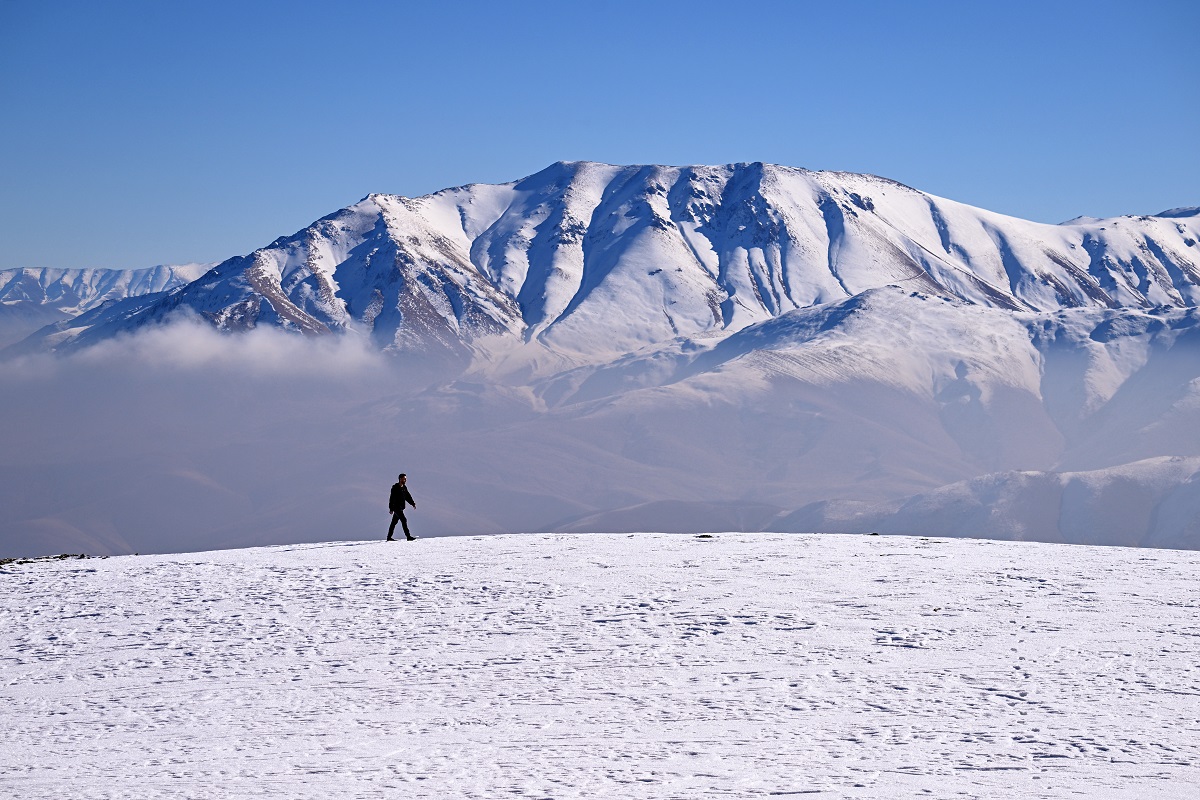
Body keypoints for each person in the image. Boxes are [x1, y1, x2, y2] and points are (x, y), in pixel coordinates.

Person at [387, 473, 417, 541]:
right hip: (396, 508)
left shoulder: (404, 487)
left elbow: (407, 496)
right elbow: (391, 498)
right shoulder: (395, 487)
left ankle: (389, 537)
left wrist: (412, 503)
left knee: (393, 523)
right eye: (404, 479)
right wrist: (391, 508)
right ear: (400, 479)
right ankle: (408, 537)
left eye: (406, 479)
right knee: (404, 520)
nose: (405, 480)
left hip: (401, 508)